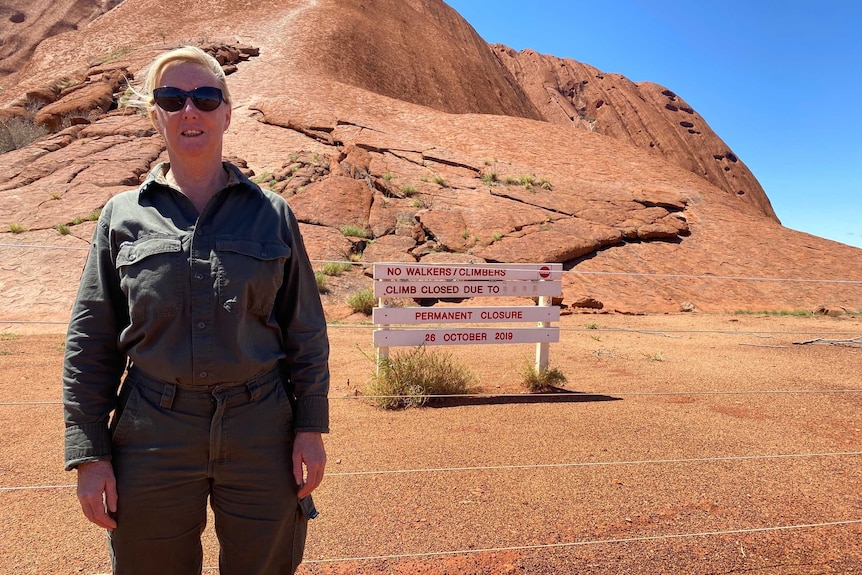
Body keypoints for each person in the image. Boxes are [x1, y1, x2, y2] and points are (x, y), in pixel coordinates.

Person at [62, 45, 330, 575]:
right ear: (155, 114)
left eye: (206, 98)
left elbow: (306, 330)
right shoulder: (122, 215)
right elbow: (90, 341)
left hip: (262, 427)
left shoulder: (272, 214)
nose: (191, 111)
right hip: (153, 427)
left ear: (227, 113)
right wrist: (89, 455)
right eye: (172, 98)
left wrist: (310, 427)